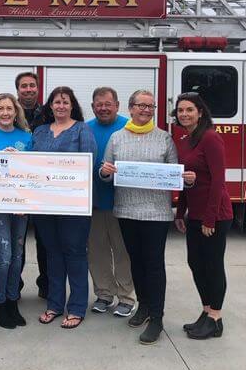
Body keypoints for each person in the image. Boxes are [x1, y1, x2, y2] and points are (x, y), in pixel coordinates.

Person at [100, 89, 177, 345]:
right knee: (136, 262)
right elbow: (105, 172)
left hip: (156, 213)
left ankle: (157, 317)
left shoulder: (164, 139)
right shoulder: (117, 138)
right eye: (141, 105)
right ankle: (143, 307)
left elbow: (174, 173)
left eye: (150, 106)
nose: (146, 110)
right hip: (126, 210)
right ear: (130, 108)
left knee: (154, 264)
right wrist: (105, 171)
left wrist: (182, 179)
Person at [32, 86, 97, 329]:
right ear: (50, 105)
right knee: (53, 254)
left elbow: (88, 165)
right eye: (57, 102)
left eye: (65, 102)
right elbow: (29, 164)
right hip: (45, 205)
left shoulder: (82, 129)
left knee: (75, 253)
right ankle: (54, 305)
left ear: (72, 106)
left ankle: (77, 307)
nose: (61, 106)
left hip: (74, 205)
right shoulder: (39, 131)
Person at [173, 92, 233, 339]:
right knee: (195, 263)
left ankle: (215, 317)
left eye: (189, 110)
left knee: (212, 265)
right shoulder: (188, 139)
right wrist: (180, 211)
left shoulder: (210, 138)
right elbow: (188, 179)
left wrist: (209, 219)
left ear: (200, 112)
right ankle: (206, 311)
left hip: (215, 215)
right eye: (180, 110)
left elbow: (218, 180)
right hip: (195, 214)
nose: (184, 114)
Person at [0, 93, 33, 329]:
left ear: (16, 112)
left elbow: (33, 172)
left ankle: (12, 301)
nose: (5, 113)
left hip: (20, 205)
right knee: (5, 255)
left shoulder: (26, 137)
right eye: (0, 108)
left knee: (18, 255)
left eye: (9, 108)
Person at [86, 87, 136, 317]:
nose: (103, 108)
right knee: (97, 251)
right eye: (99, 104)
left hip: (123, 203)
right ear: (93, 106)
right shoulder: (85, 129)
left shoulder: (130, 127)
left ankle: (126, 296)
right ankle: (104, 294)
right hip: (93, 202)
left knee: (123, 251)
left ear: (117, 105)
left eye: (108, 103)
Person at [15, 71, 49, 299]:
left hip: (42, 187)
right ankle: (13, 286)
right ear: (17, 89)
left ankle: (46, 285)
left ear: (38, 89)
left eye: (32, 86)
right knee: (17, 242)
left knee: (45, 241)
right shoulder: (9, 111)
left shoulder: (48, 113)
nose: (28, 89)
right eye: (24, 86)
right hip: (15, 188)